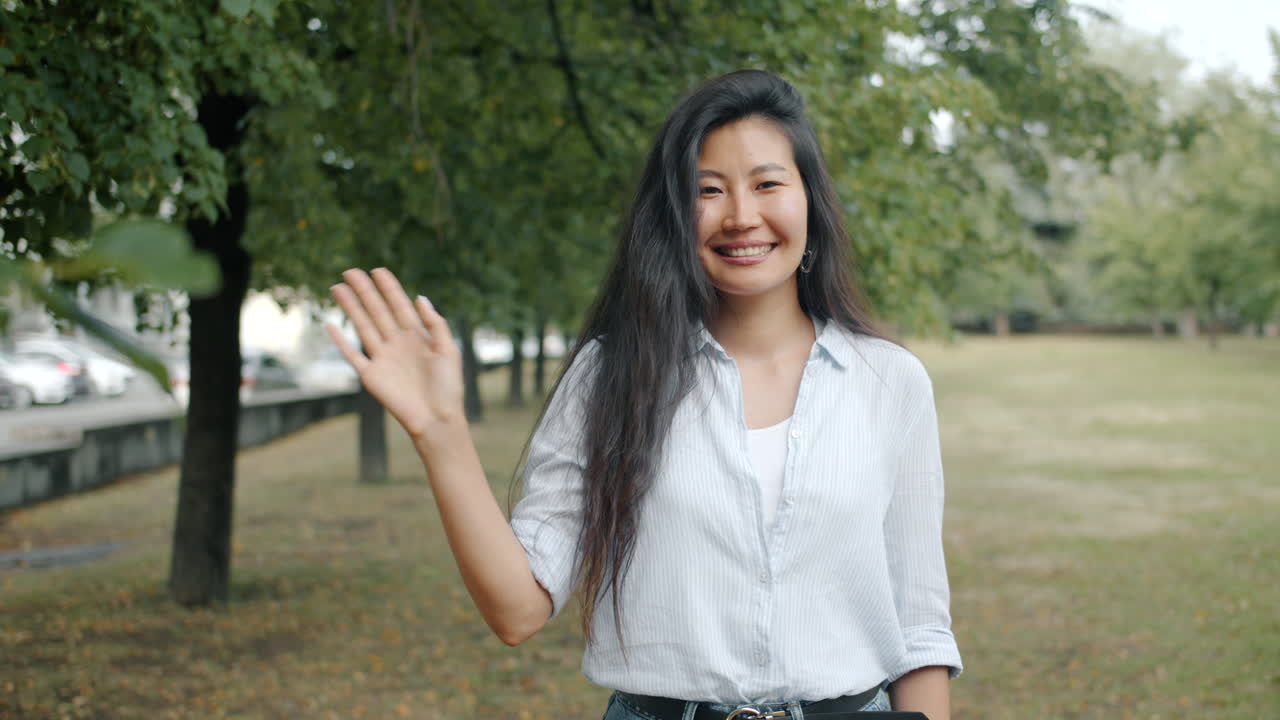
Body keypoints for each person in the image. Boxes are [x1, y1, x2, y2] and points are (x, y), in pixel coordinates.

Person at [327, 69, 962, 719]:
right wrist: (441, 434)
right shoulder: (611, 377)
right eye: (707, 190)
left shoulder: (891, 383)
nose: (742, 216)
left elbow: (919, 628)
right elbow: (517, 609)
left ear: (810, 202)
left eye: (768, 183)